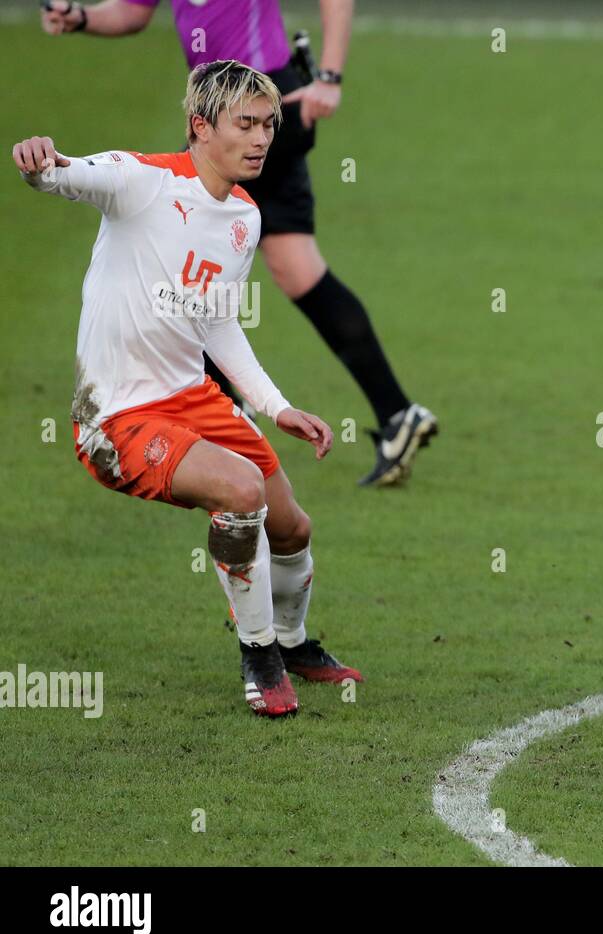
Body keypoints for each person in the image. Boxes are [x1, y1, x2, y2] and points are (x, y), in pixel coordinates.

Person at [13, 59, 364, 718]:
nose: (261, 140)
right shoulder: (140, 181)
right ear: (200, 126)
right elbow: (63, 173)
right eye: (245, 124)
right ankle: (257, 652)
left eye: (268, 125)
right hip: (117, 418)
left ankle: (291, 642)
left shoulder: (244, 217)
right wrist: (38, 162)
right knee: (240, 492)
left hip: (194, 399)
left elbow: (218, 323)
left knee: (291, 528)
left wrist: (276, 406)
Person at [40, 0, 437, 486]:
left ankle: (220, 422)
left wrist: (329, 76)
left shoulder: (253, 132)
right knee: (294, 270)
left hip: (252, 114)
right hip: (224, 119)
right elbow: (133, 11)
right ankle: (393, 413)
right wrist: (80, 17)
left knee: (197, 269)